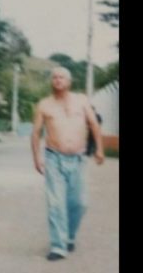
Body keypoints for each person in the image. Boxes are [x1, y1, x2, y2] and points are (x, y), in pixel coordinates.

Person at [30, 66, 105, 260]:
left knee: (80, 203)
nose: (58, 80)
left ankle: (69, 236)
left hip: (78, 159)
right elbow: (36, 133)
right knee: (56, 204)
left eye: (62, 77)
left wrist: (99, 149)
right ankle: (58, 246)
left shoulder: (81, 101)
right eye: (54, 77)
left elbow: (94, 124)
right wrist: (36, 157)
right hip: (54, 158)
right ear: (51, 82)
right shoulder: (44, 105)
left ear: (69, 82)